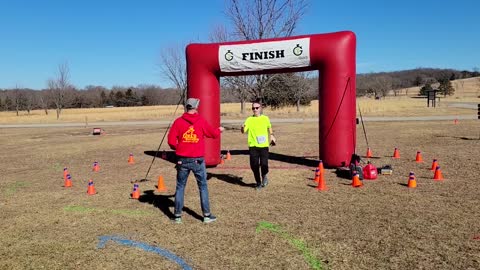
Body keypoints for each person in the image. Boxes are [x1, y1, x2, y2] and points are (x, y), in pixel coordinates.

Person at [167, 98, 225, 223]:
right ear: (196, 107)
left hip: (182, 160)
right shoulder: (201, 121)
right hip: (198, 160)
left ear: (186, 107)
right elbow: (212, 134)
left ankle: (177, 216)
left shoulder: (178, 122)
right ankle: (207, 215)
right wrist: (219, 130)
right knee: (203, 186)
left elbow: (171, 141)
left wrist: (179, 148)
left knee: (180, 187)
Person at [241, 99, 276, 190]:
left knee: (264, 164)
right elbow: (243, 131)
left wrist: (272, 136)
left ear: (260, 108)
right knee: (254, 165)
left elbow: (269, 127)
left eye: (257, 108)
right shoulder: (249, 119)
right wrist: (242, 128)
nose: (255, 110)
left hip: (264, 146)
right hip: (253, 146)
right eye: (253, 108)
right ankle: (258, 183)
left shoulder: (265, 118)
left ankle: (264, 176)